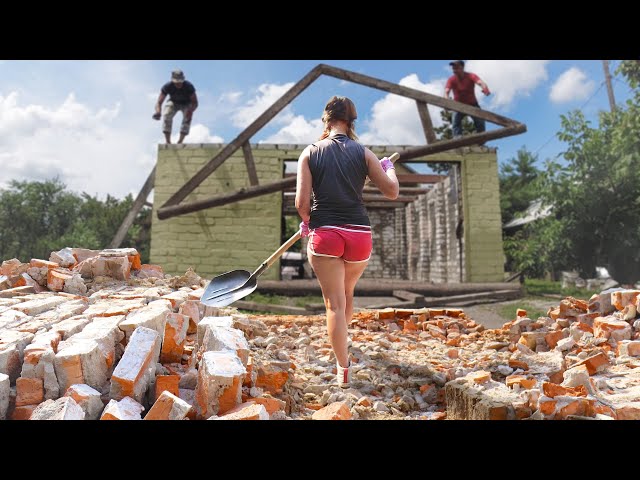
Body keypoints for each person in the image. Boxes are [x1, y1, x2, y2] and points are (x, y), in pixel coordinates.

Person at [295, 96, 399, 388]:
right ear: (352, 122)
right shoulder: (365, 153)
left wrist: (307, 221)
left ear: (325, 120)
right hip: (358, 236)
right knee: (347, 293)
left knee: (334, 305)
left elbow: (302, 203)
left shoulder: (310, 152)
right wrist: (388, 166)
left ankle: (343, 367)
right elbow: (391, 191)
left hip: (326, 234)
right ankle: (342, 335)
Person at [444, 60, 491, 137]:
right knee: (455, 124)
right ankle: (457, 140)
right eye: (453, 68)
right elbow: (446, 91)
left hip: (472, 104)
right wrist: (446, 101)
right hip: (458, 105)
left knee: (480, 122)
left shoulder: (470, 76)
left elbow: (480, 82)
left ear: (462, 67)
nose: (454, 70)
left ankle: (481, 139)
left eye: (456, 67)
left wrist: (485, 88)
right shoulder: (451, 80)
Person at [152, 69, 198, 144]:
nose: (178, 84)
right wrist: (158, 112)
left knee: (187, 117)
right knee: (167, 114)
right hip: (173, 102)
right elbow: (159, 102)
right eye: (177, 82)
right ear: (173, 81)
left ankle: (180, 141)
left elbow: (195, 102)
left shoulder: (189, 86)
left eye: (180, 82)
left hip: (186, 103)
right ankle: (168, 141)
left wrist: (191, 111)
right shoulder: (167, 86)